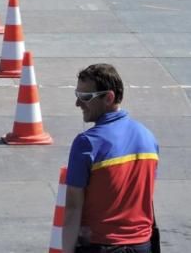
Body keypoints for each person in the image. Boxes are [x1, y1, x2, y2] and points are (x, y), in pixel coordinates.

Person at [62, 63, 158, 253]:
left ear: (109, 98)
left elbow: (73, 208)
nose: (78, 104)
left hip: (100, 245)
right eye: (77, 96)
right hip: (142, 245)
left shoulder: (87, 143)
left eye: (85, 97)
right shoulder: (148, 137)